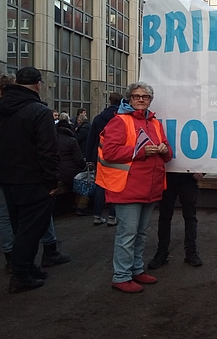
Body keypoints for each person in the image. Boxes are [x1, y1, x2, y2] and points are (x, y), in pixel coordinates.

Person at [0, 74, 71, 275]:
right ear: (38, 84)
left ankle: (17, 263)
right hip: (31, 178)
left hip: (3, 176)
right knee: (30, 227)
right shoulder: (38, 111)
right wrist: (51, 180)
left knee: (11, 221)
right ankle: (24, 270)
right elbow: (48, 150)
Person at [97, 82, 172, 293]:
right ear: (129, 99)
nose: (141, 99)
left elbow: (167, 154)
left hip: (150, 187)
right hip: (127, 188)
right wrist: (142, 151)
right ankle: (121, 276)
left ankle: (136, 270)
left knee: (140, 233)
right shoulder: (119, 121)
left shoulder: (155, 123)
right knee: (127, 234)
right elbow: (109, 152)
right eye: (136, 96)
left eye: (145, 97)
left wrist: (164, 149)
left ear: (150, 100)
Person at [148, 172, 205, 269]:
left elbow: (208, 158)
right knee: (165, 217)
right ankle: (162, 252)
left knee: (189, 217)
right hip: (167, 179)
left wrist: (202, 171)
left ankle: (191, 252)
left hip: (189, 180)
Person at [85, 92, 122, 225]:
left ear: (109, 101)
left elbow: (91, 139)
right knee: (114, 186)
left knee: (100, 185)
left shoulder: (98, 118)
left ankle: (97, 215)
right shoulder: (121, 118)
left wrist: (90, 158)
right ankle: (112, 216)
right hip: (116, 155)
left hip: (99, 155)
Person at [55, 115, 86, 211]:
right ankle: (80, 206)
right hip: (70, 173)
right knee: (86, 179)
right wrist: (85, 167)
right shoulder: (72, 141)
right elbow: (79, 160)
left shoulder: (52, 139)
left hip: (55, 171)